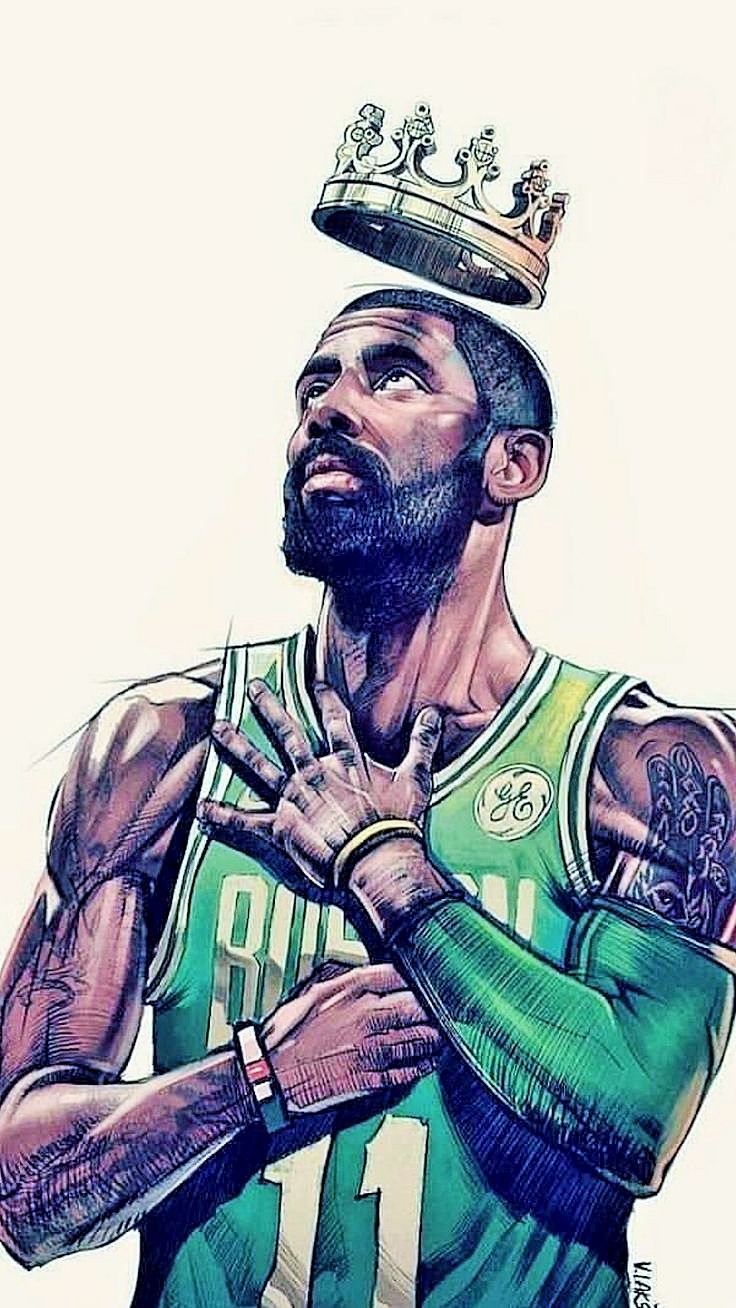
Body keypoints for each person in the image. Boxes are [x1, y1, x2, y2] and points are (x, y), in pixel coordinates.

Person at [0, 286, 735, 1308]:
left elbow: (638, 1116)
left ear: (512, 465)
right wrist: (258, 1079)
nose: (330, 409)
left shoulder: (648, 769)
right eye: (316, 385)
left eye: (393, 377)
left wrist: (384, 867)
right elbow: (20, 1192)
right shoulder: (164, 747)